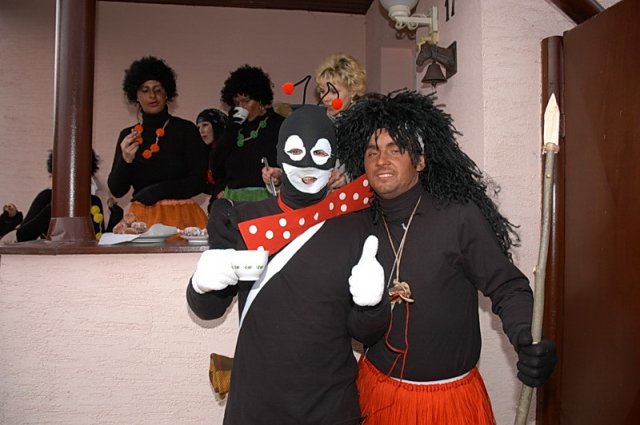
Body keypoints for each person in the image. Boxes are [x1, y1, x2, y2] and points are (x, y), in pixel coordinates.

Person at [335, 90, 557, 424]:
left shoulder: (458, 216)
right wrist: (366, 308)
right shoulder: (357, 224)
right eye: (372, 151)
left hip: (448, 403)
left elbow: (507, 287)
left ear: (420, 161)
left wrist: (526, 336)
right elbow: (358, 331)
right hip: (375, 394)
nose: (382, 160)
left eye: (396, 149)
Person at [186, 105, 390, 425]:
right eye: (296, 151)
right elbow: (208, 310)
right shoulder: (244, 220)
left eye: (319, 153)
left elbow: (366, 333)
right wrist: (200, 285)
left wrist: (373, 304)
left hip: (329, 408)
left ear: (333, 158)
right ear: (280, 155)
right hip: (256, 405)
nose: (307, 163)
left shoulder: (357, 228)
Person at [108, 56, 209, 229]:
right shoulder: (129, 136)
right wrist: (125, 160)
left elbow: (199, 182)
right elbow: (117, 190)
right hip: (142, 218)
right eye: (145, 90)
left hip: (182, 216)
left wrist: (158, 191)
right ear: (136, 96)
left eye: (158, 89)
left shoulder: (185, 129)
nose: (152, 96)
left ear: (166, 93)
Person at [261, 53, 367, 194]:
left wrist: (348, 179)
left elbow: (377, 172)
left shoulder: (368, 128)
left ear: (353, 91)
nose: (325, 98)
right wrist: (280, 178)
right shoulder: (315, 125)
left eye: (333, 92)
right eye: (323, 91)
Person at [9, 150, 122, 242]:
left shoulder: (93, 201)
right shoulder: (46, 197)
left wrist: (114, 219)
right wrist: (56, 206)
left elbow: (98, 240)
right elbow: (21, 238)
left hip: (85, 259)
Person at [210, 65, 285, 202]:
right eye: (236, 103)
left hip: (265, 199)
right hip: (234, 199)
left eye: (246, 101)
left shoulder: (279, 125)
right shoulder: (233, 129)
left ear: (260, 99)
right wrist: (230, 130)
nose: (241, 107)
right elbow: (216, 168)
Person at [195, 108, 228, 203]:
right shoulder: (206, 154)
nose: (201, 131)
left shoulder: (231, 150)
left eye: (205, 125)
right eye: (198, 127)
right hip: (217, 204)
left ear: (217, 125)